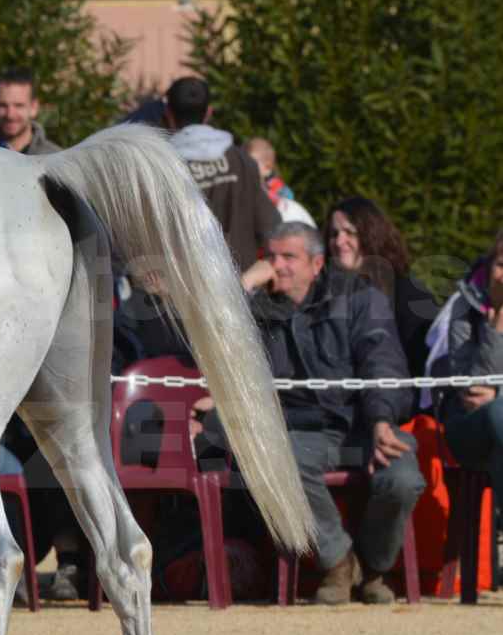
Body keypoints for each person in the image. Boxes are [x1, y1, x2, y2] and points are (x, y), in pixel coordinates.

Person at [199, 222, 425, 605]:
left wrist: (383, 421)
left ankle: (371, 566)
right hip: (301, 433)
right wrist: (240, 288)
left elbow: (383, 362)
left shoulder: (359, 298)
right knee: (280, 463)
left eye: (289, 257)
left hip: (365, 423)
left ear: (316, 264)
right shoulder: (256, 309)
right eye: (271, 257)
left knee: (403, 479)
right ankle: (337, 562)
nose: (278, 266)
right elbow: (208, 338)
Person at [164, 77, 280, 275]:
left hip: (189, 288)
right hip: (242, 289)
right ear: (209, 112)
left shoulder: (163, 166)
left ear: (168, 114)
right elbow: (272, 227)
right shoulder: (241, 159)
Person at [325, 196, 436, 380]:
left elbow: (421, 363)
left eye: (349, 232)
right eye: (334, 234)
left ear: (371, 234)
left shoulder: (408, 294)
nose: (339, 241)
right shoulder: (326, 294)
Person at [432, 228, 503, 509]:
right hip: (468, 425)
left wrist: (497, 393)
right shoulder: (466, 303)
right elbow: (472, 389)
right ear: (489, 266)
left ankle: (496, 542)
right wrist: (497, 327)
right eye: (502, 264)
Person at [0, 67, 61, 156]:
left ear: (34, 107)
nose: (10, 115)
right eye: (3, 105)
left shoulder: (55, 160)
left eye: (18, 105)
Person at [242, 136, 315, 227]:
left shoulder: (275, 187)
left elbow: (286, 201)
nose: (244, 169)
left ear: (267, 167)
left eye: (250, 164)